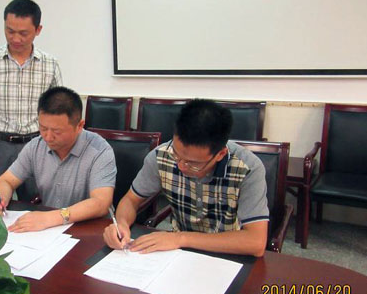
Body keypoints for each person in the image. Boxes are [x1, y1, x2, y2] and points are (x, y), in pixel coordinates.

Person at [103, 99, 269, 257]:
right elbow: (131, 200)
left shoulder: (247, 168)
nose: (181, 166)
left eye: (193, 164)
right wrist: (122, 223)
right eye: (176, 155)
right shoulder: (161, 156)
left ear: (220, 154)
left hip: (227, 252)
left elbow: (255, 242)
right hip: (177, 253)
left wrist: (181, 238)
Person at [0, 0, 62, 199]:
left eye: (23, 33)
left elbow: (58, 112)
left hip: (36, 144)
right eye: (10, 31)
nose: (15, 38)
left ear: (38, 30)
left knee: (36, 203)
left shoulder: (50, 65)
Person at [0, 87, 116, 232]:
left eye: (57, 131)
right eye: (43, 128)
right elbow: (6, 181)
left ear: (79, 126)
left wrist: (50, 218)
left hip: (90, 229)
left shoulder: (100, 151)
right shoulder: (35, 146)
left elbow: (101, 203)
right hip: (49, 230)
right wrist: (0, 197)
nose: (48, 137)